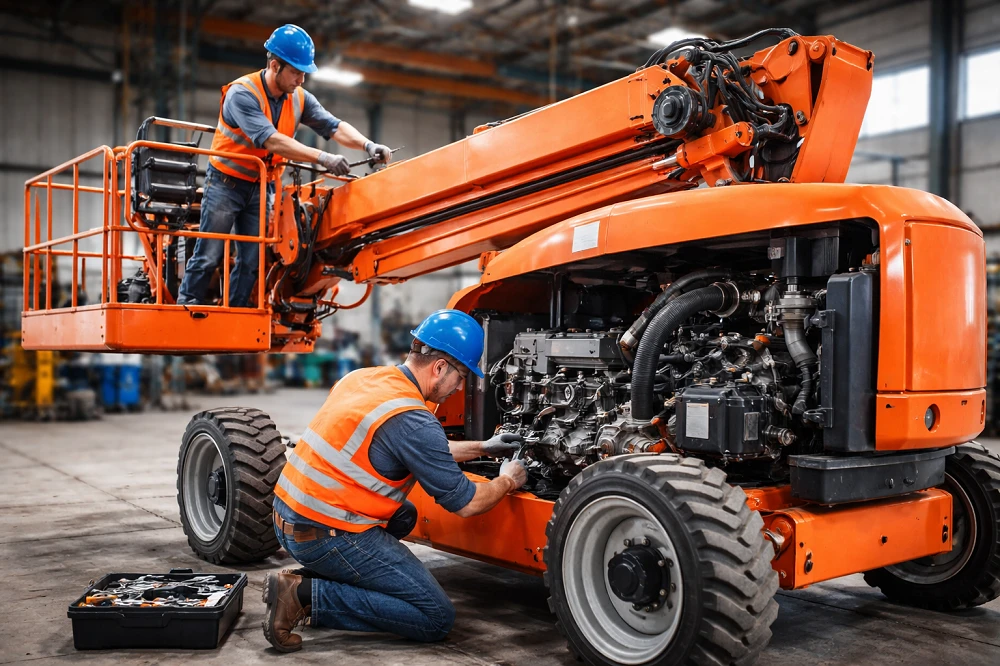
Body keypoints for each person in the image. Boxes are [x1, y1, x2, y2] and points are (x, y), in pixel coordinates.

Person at [263, 309, 527, 652]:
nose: (460, 387)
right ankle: (305, 594)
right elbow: (467, 503)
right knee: (435, 617)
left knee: (405, 515)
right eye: (462, 376)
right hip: (323, 532)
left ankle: (319, 576)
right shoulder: (414, 419)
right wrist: (508, 480)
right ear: (440, 367)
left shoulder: (366, 379)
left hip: (287, 517)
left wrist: (482, 448)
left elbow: (415, 446)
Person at [177, 24, 391, 307]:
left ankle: (237, 311)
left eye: (304, 73)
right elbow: (270, 140)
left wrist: (368, 145)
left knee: (252, 259)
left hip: (261, 187)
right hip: (226, 184)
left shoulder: (299, 98)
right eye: (296, 72)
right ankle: (186, 304)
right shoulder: (242, 94)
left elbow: (333, 126)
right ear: (274, 65)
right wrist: (323, 158)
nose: (301, 79)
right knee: (209, 253)